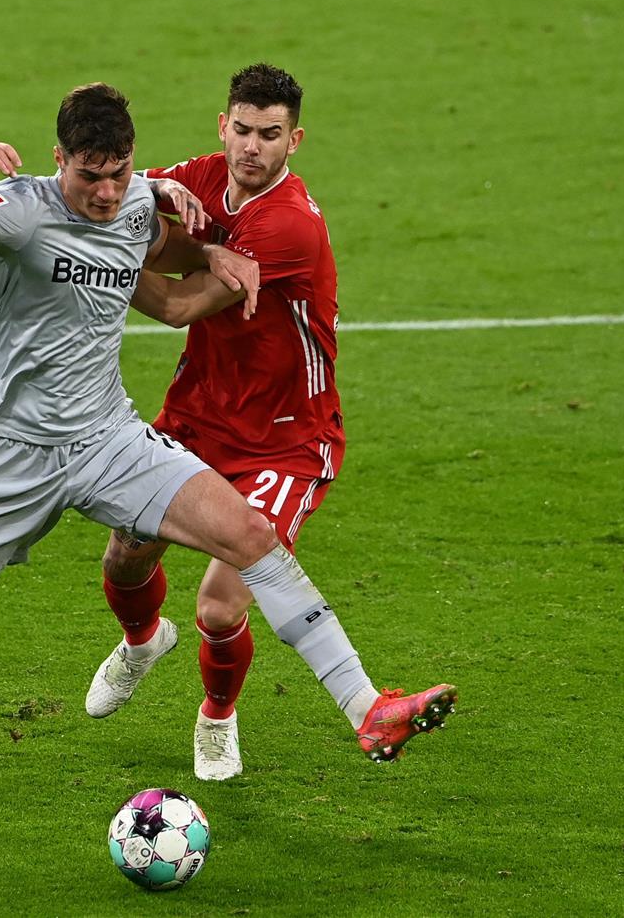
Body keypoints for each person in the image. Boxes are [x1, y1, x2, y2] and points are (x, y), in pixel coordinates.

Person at [0, 82, 445, 782]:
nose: (108, 192)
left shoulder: (142, 199)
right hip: (9, 453)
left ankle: (368, 707)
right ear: (61, 160)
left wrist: (208, 253)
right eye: (90, 176)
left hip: (106, 438)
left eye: (119, 173)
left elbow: (163, 252)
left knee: (250, 537)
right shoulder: (19, 209)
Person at [83, 63, 457, 781]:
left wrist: (98, 253)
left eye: (271, 135)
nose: (253, 147)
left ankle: (217, 716)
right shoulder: (199, 174)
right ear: (223, 125)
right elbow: (131, 196)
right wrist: (153, 194)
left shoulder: (287, 224)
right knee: (125, 557)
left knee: (222, 605)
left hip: (285, 441)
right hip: (196, 416)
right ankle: (140, 641)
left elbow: (177, 304)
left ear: (296, 140)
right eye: (243, 130)